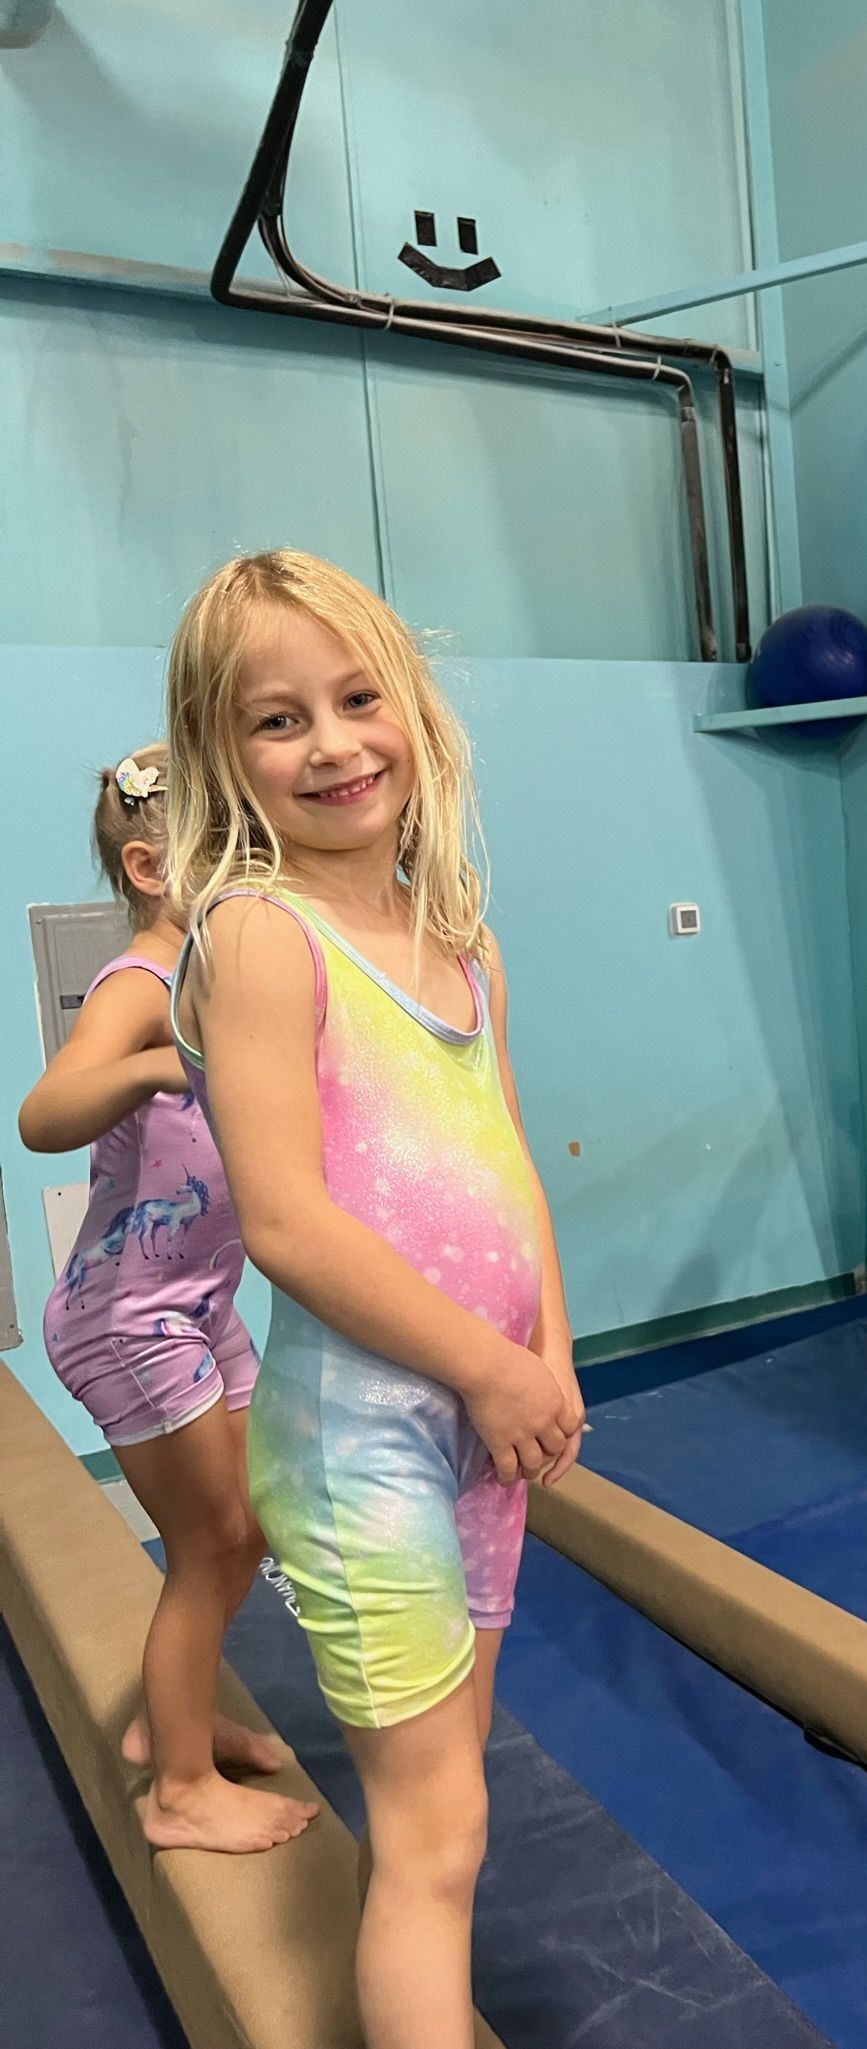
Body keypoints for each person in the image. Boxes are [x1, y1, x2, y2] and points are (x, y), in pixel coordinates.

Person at [164, 552, 584, 2049]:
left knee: (451, 1777)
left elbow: (511, 1160)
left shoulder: (457, 940)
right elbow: (282, 1220)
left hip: (480, 1418)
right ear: (224, 754)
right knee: (434, 1833)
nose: (334, 744)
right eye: (280, 721)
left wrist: (553, 1352)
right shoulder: (263, 935)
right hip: (364, 1445)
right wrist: (485, 1365)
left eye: (358, 700)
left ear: (414, 710)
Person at [18, 744, 315, 1855]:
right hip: (126, 1315)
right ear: (150, 868)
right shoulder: (143, 984)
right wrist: (149, 1067)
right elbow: (45, 1115)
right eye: (227, 848)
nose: (254, 864)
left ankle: (167, 1720)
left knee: (245, 1535)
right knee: (207, 1546)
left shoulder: (224, 979)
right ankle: (180, 1790)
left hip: (194, 1304)